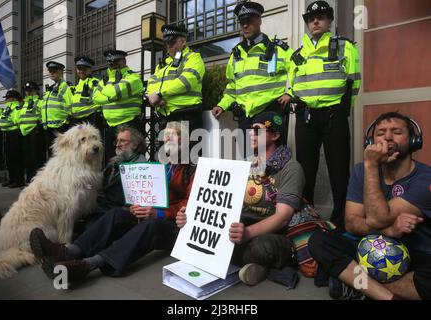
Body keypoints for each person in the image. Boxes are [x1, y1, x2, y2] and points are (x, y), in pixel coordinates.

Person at [30, 121, 195, 284]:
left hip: (176, 226)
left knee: (151, 225)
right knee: (117, 215)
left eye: (172, 135)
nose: (166, 139)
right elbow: (152, 195)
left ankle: (87, 265)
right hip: (154, 214)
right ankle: (68, 252)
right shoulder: (163, 165)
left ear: (184, 140)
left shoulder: (192, 169)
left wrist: (160, 213)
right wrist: (139, 205)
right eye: (165, 135)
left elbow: (191, 204)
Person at [308, 112, 431, 300]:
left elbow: (376, 218)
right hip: (366, 245)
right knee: (319, 241)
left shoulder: (425, 178)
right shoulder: (362, 168)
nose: (388, 137)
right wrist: (389, 231)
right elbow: (351, 223)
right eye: (381, 133)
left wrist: (371, 165)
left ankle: (356, 284)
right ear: (370, 142)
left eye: (396, 131)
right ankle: (386, 296)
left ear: (414, 140)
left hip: (415, 251)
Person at [177, 112, 305, 287]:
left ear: (275, 135)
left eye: (258, 129)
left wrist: (247, 234)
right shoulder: (244, 163)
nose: (251, 133)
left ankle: (248, 262)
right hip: (240, 226)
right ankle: (256, 266)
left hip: (271, 233)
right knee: (189, 232)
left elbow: (282, 218)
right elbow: (221, 203)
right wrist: (192, 217)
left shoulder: (291, 168)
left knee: (262, 247)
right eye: (250, 129)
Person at [285, 1, 361, 230]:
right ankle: (307, 217)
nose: (315, 21)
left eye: (320, 17)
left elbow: (354, 82)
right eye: (310, 18)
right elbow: (294, 85)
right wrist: (290, 96)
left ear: (329, 21)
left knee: (338, 169)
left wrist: (343, 110)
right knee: (305, 169)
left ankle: (341, 220)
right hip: (306, 118)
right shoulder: (297, 55)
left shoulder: (344, 47)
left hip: (333, 116)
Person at [211, 1, 293, 130]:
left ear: (259, 20)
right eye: (242, 21)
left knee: (272, 151)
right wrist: (222, 105)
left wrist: (290, 93)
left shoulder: (277, 48)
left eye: (249, 20)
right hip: (245, 117)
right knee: (247, 151)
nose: (245, 25)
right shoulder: (236, 54)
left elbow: (299, 70)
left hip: (270, 113)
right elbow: (232, 87)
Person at [146, 24, 205, 140]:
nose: (168, 46)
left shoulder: (193, 58)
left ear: (183, 41)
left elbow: (186, 82)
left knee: (188, 157)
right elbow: (151, 83)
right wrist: (153, 98)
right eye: (166, 42)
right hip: (166, 117)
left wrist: (159, 94)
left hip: (186, 115)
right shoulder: (163, 64)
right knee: (167, 156)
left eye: (172, 42)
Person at [93, 50, 143, 164]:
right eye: (111, 63)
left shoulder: (133, 77)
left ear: (124, 61)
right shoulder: (106, 80)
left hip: (129, 125)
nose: (114, 65)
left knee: (130, 161)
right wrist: (110, 97)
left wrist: (104, 91)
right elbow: (95, 97)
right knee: (111, 161)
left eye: (117, 61)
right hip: (110, 127)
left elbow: (114, 93)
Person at [40, 61, 73, 157]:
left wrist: (65, 123)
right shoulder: (50, 89)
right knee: (51, 155)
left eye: (54, 71)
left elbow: (71, 105)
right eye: (50, 71)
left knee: (60, 155)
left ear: (61, 72)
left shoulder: (65, 87)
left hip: (59, 127)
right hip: (48, 128)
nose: (52, 73)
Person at [17, 81, 45, 183]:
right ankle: (29, 179)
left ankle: (37, 181)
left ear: (36, 91)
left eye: (30, 90)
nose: (28, 92)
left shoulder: (39, 101)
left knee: (36, 158)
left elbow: (43, 115)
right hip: (25, 133)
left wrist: (39, 126)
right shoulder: (24, 103)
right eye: (26, 90)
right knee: (27, 158)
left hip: (35, 131)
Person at [0, 90, 24, 188]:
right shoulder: (9, 107)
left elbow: (17, 120)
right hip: (7, 133)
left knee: (16, 158)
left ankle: (18, 180)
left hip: (14, 133)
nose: (6, 100)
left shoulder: (16, 107)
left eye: (8, 98)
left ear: (13, 98)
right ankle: (12, 178)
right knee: (9, 158)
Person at [70, 56, 100, 127]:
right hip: (76, 121)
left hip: (90, 120)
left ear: (90, 70)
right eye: (79, 69)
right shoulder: (77, 86)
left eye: (84, 69)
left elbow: (100, 102)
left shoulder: (95, 83)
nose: (81, 71)